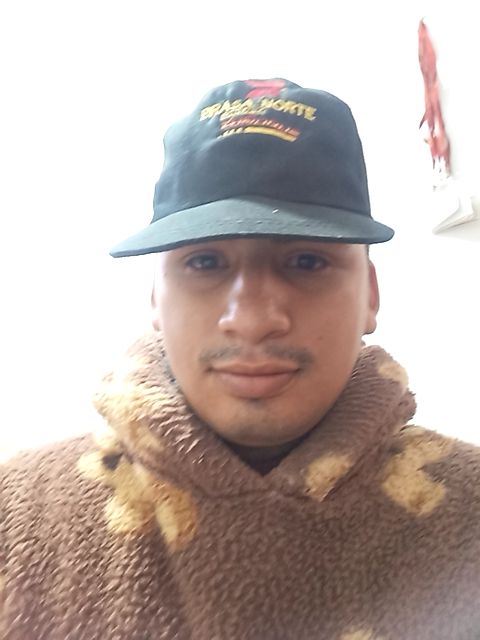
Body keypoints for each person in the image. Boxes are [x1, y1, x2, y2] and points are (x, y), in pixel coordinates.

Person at [1, 78, 480, 640]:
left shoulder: (469, 513)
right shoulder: (18, 514)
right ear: (155, 297)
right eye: (206, 262)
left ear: (370, 296)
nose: (251, 319)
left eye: (306, 261)